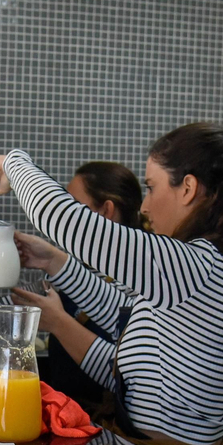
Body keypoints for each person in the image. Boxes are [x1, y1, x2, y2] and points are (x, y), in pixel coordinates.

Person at [0, 124, 223, 445]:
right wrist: (54, 261)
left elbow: (63, 218)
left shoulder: (198, 266)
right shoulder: (206, 269)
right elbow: (124, 323)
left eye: (152, 187)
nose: (144, 206)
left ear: (188, 188)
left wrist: (13, 163)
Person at [39, 161, 144, 413]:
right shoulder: (81, 267)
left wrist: (58, 321)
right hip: (66, 410)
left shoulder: (138, 277)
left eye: (72, 206)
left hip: (105, 420)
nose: (63, 217)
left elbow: (125, 370)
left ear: (106, 210)